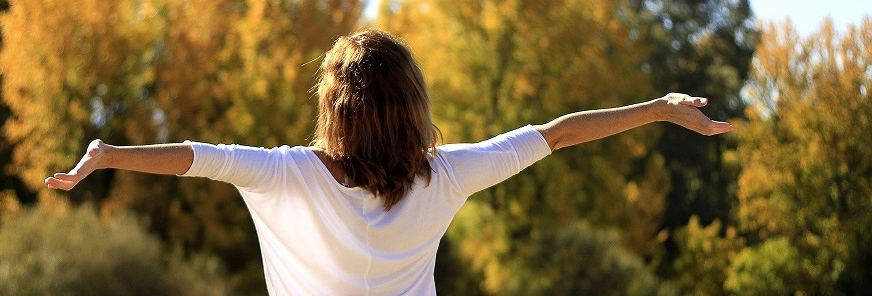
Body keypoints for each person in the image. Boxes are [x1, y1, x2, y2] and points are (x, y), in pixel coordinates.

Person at [45, 29, 732, 294]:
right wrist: (656, 107)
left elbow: (197, 158)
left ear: (332, 109)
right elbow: (552, 136)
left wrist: (107, 156)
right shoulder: (447, 175)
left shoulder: (287, 173)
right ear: (412, 105)